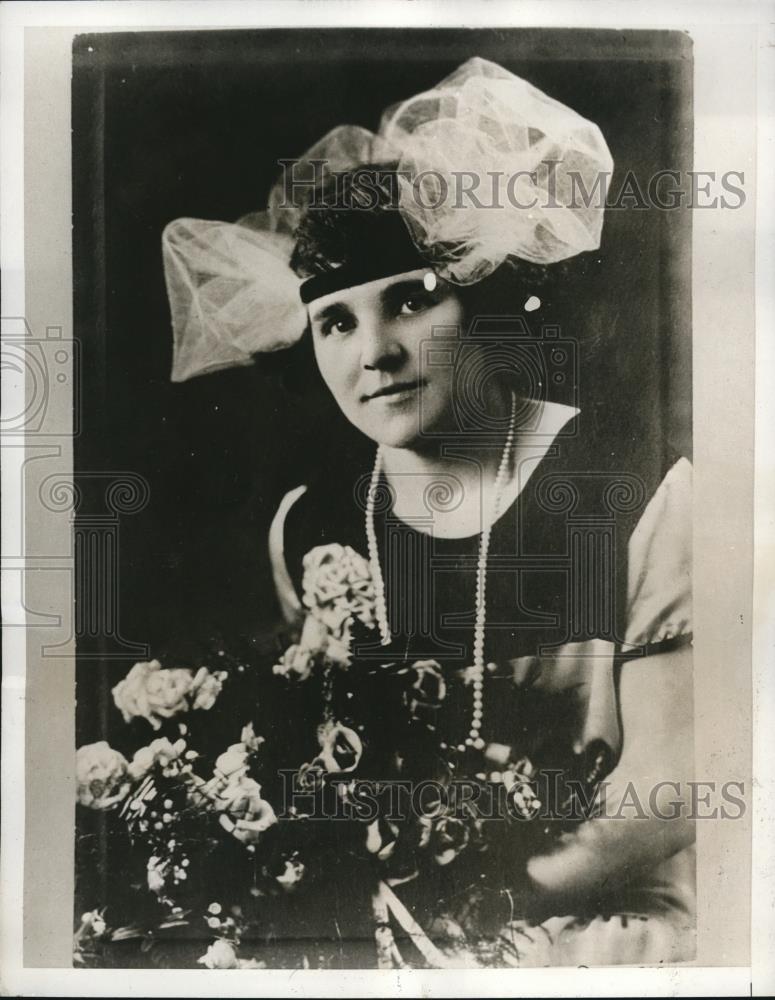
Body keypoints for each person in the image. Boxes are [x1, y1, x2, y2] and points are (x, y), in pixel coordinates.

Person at [163, 57, 694, 967]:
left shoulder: (634, 486)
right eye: (335, 322)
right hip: (386, 922)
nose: (373, 353)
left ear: (476, 294)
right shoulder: (313, 522)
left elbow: (666, 798)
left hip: (602, 921)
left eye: (410, 300)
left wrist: (454, 902)